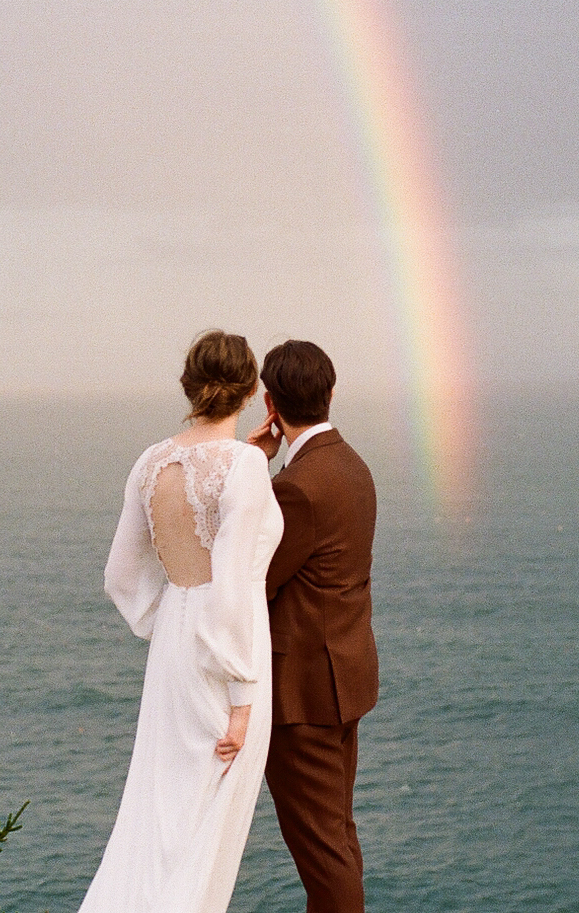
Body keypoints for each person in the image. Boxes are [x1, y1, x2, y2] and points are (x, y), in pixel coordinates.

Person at [79, 330, 284, 913]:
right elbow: (235, 585)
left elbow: (121, 576)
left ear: (189, 387)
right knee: (208, 823)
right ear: (250, 394)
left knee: (158, 814)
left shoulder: (151, 461)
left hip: (174, 646)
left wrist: (165, 619)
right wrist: (243, 698)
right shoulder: (242, 466)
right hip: (227, 659)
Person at [246, 340, 378, 913]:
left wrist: (253, 464)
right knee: (338, 839)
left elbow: (253, 576)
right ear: (328, 394)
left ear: (270, 403)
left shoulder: (295, 487)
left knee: (323, 854)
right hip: (344, 683)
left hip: (302, 698)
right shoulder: (352, 466)